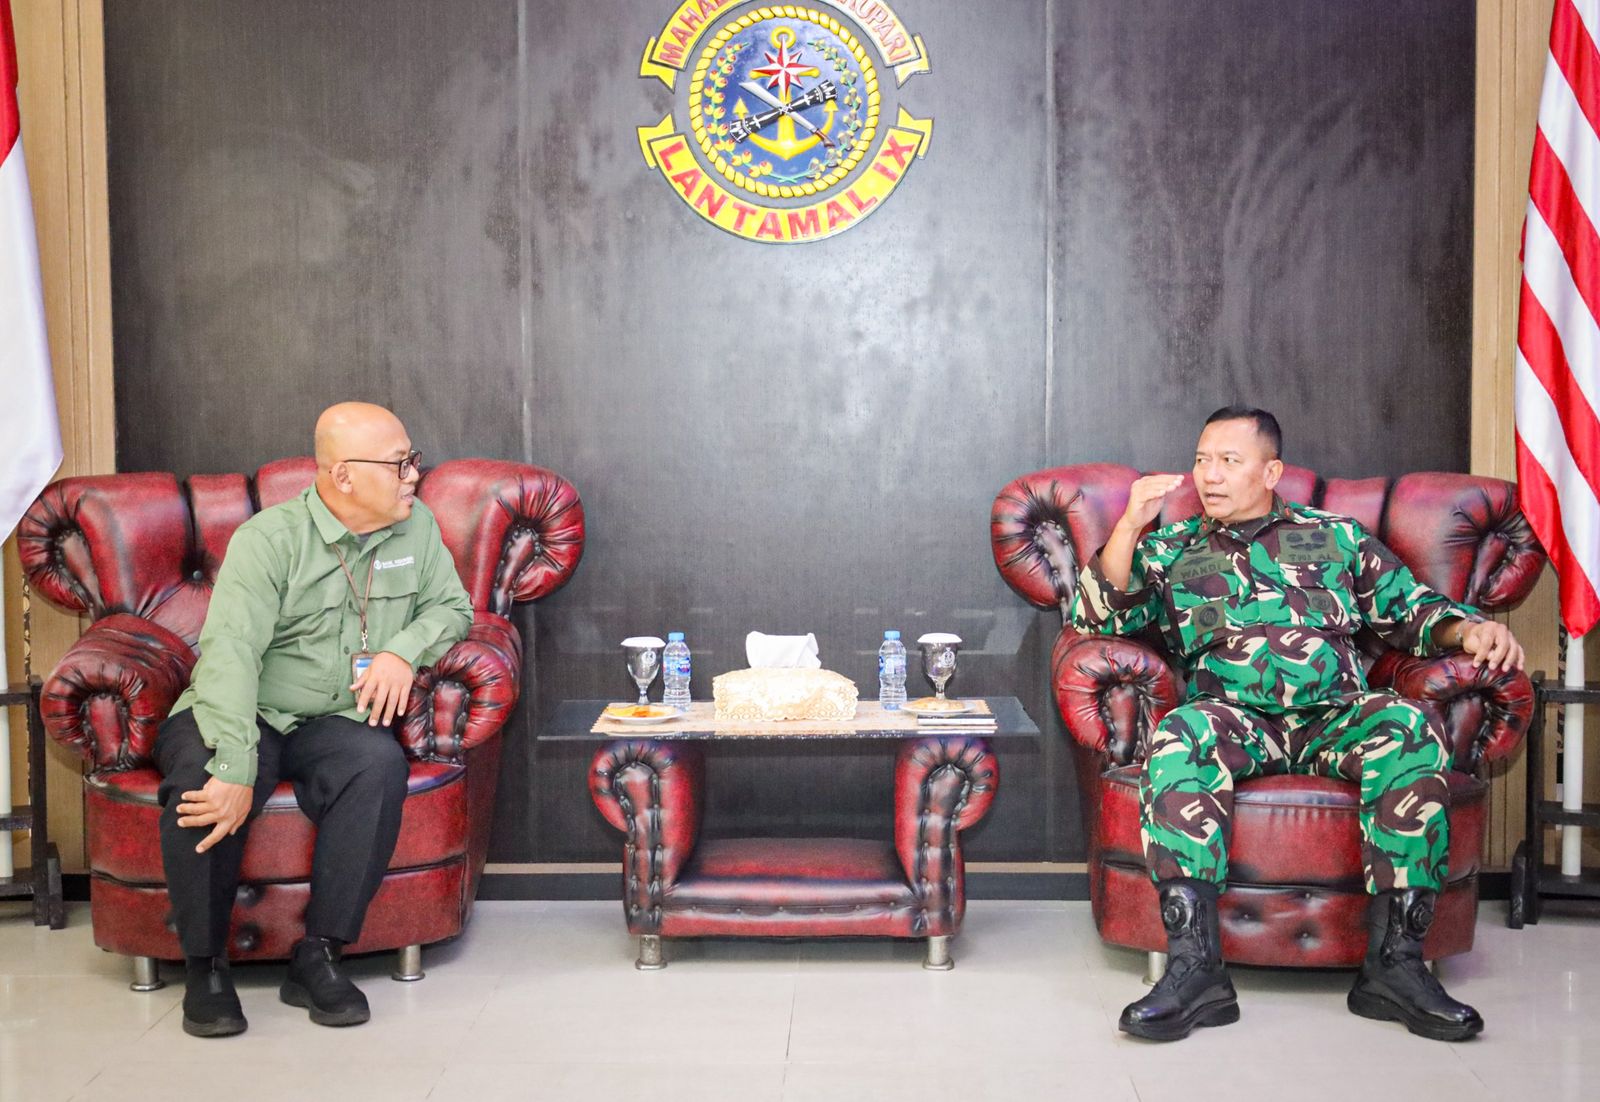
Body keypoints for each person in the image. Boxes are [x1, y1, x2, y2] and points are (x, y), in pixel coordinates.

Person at [1070, 406, 1523, 1044]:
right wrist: (1128, 525)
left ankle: (1395, 966)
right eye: (1202, 460)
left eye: (1229, 461)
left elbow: (1411, 611)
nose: (1209, 475)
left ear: (1271, 471)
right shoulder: (1172, 547)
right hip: (1234, 718)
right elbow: (1098, 616)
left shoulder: (1335, 537)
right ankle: (1196, 971)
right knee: (1179, 736)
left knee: (1407, 725)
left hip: (1334, 714)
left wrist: (1470, 630)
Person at [155, 402, 474, 1037]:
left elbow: (453, 609)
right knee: (203, 781)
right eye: (399, 463)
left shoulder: (416, 528)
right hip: (244, 707)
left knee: (376, 764)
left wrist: (401, 651)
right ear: (343, 475)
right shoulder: (268, 541)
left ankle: (319, 954)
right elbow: (231, 657)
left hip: (331, 716)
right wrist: (235, 765)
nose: (414, 474)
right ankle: (205, 968)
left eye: (412, 460)